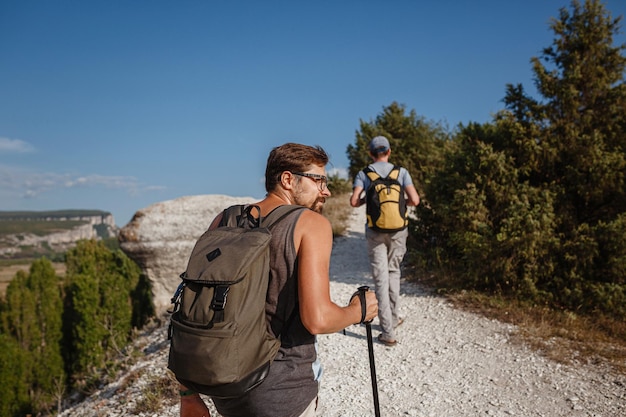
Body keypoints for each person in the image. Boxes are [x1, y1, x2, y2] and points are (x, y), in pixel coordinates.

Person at [180, 142, 379, 417]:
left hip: (224, 388)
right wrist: (359, 310)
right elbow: (317, 319)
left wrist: (188, 395)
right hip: (283, 393)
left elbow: (190, 309)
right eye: (319, 180)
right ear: (287, 179)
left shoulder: (224, 219)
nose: (326, 191)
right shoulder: (311, 224)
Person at [349, 136, 420, 347]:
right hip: (399, 229)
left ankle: (387, 331)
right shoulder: (401, 172)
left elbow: (353, 202)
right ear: (389, 151)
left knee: (380, 276)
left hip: (375, 230)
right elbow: (415, 200)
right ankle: (394, 317)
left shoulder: (365, 173)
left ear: (371, 153)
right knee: (393, 271)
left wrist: (367, 198)